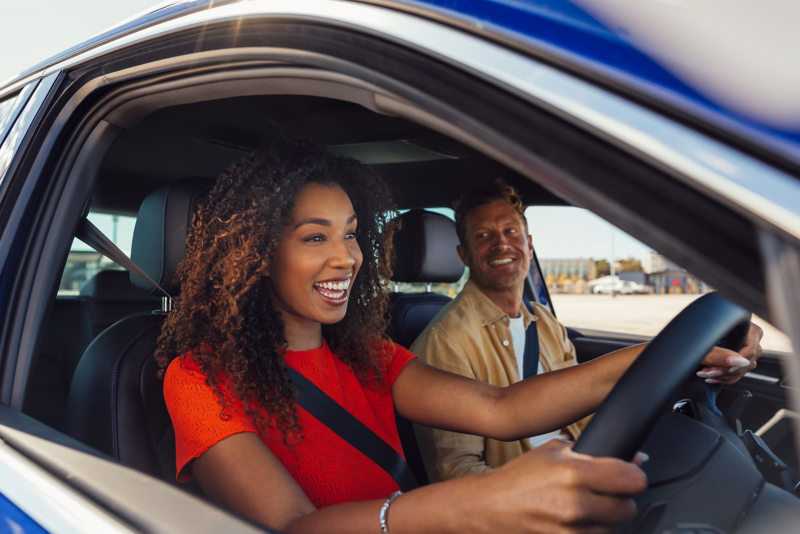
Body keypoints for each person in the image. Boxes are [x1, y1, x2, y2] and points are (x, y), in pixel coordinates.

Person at [158, 140, 759, 533]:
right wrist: (477, 502)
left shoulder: (364, 353)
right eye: (316, 237)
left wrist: (663, 356)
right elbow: (291, 528)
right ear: (258, 254)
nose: (349, 258)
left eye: (351, 234)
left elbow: (500, 409)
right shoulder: (200, 377)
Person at [412, 179, 763, 482]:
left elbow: (588, 407)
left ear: (529, 245)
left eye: (510, 232)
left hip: (590, 461)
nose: (501, 245)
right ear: (464, 254)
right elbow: (455, 471)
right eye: (483, 236)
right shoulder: (445, 341)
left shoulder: (544, 323)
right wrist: (534, 500)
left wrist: (711, 365)